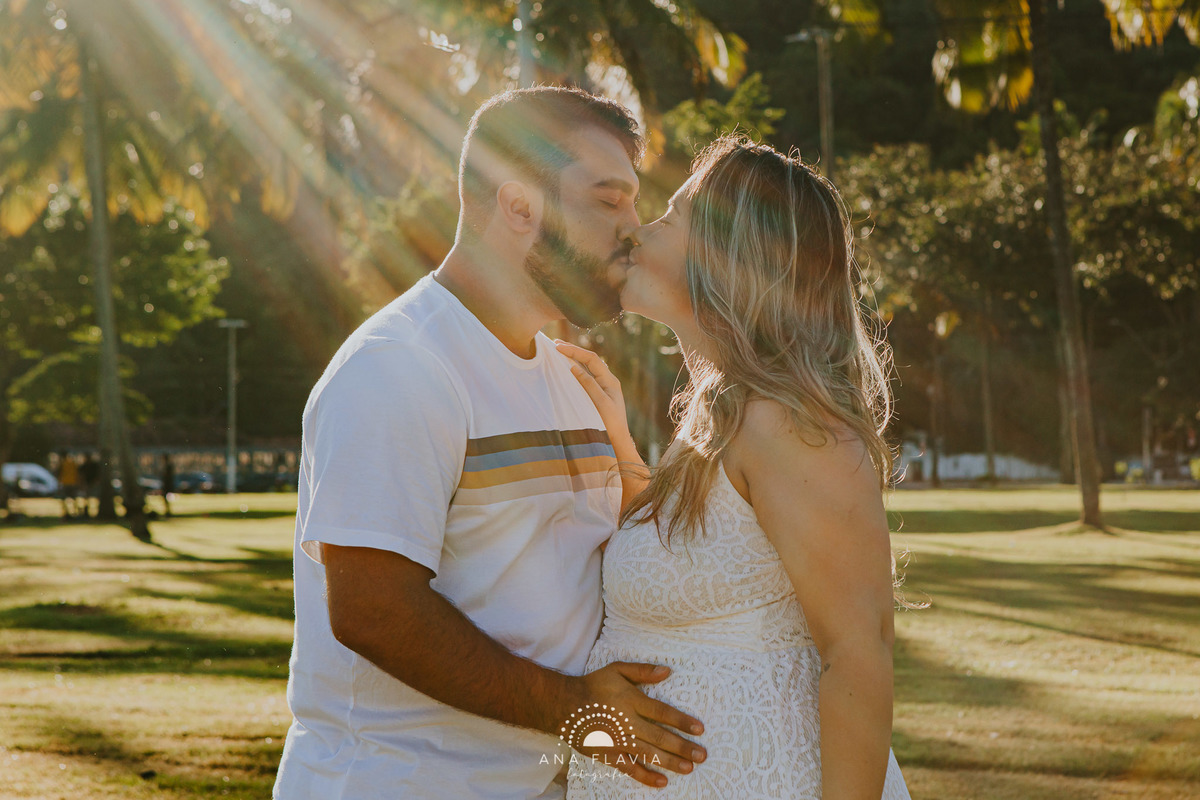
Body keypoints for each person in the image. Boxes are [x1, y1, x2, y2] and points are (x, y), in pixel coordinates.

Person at [274, 87, 706, 800]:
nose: (634, 228)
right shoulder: (398, 367)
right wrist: (578, 711)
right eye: (608, 201)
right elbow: (372, 610)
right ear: (518, 206)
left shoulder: (569, 378)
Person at [557, 135, 912, 799]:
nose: (637, 231)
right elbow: (697, 554)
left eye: (670, 219)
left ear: (725, 258)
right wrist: (620, 440)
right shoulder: (718, 416)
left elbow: (859, 654)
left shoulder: (788, 424)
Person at [57, 452, 81, 519]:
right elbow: (77, 473)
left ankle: (65, 513)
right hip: (73, 483)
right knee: (74, 499)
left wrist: (59, 484)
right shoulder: (72, 463)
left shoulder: (62, 464)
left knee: (63, 499)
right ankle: (75, 513)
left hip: (65, 483)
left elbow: (59, 474)